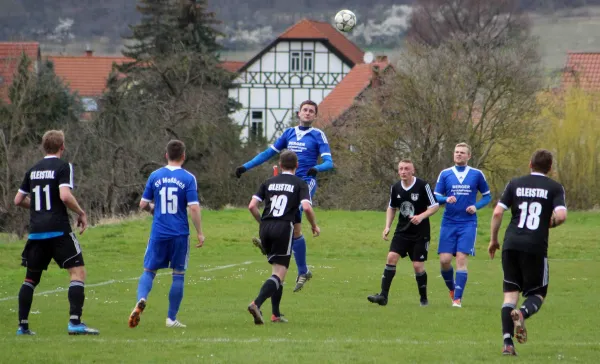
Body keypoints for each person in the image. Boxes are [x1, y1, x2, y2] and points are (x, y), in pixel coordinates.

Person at [235, 100, 333, 292]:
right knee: (293, 227)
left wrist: (317, 168)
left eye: (311, 111)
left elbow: (329, 162)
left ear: (315, 116)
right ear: (298, 113)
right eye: (305, 110)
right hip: (287, 182)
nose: (307, 113)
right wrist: (245, 166)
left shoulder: (318, 135)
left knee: (291, 213)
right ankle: (303, 270)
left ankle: (271, 244)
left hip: (305, 182)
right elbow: (267, 154)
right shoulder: (289, 133)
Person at [14, 130, 98, 335]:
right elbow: (65, 195)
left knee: (30, 279)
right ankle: (75, 323)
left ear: (44, 147)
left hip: (36, 233)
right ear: (62, 147)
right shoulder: (63, 166)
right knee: (77, 272)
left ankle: (22, 326)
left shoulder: (33, 170)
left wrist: (38, 207)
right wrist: (80, 212)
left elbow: (17, 200)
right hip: (58, 230)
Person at [488, 149, 567, 356]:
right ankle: (522, 313)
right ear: (550, 168)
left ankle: (507, 344)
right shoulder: (554, 187)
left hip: (510, 244)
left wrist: (494, 240)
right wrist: (547, 223)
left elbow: (497, 212)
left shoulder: (514, 183)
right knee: (538, 293)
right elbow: (561, 216)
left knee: (509, 296)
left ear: (530, 164)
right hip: (534, 247)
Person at [128, 140, 205, 329]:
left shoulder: (155, 175)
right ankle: (171, 319)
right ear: (183, 156)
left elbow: (143, 204)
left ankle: (142, 299)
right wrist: (200, 232)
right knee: (178, 274)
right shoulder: (188, 178)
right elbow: (193, 208)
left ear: (166, 155)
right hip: (179, 234)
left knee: (149, 271)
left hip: (159, 232)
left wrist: (157, 210)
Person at [246, 151, 320, 324]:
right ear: (297, 166)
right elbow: (307, 208)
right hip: (283, 228)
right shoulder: (300, 183)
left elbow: (252, 206)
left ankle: (275, 314)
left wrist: (262, 222)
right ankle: (256, 303)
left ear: (280, 165)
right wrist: (314, 226)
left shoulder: (268, 182)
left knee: (276, 271)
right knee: (280, 273)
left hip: (265, 227)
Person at [368, 160, 439, 307]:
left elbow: (435, 206)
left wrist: (420, 217)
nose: (403, 171)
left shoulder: (422, 185)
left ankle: (423, 299)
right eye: (400, 169)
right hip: (402, 230)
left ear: (413, 170)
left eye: (406, 169)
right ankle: (383, 296)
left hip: (420, 233)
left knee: (417, 266)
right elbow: (392, 207)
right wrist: (387, 226)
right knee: (391, 257)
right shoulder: (395, 187)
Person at [434, 142, 492, 307]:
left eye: (462, 152)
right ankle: (452, 289)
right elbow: (435, 195)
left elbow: (488, 196)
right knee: (445, 260)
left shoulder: (476, 174)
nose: (458, 154)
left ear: (469, 156)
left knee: (461, 258)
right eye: (456, 152)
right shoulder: (445, 174)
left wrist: (476, 206)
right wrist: (446, 199)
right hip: (449, 221)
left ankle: (457, 299)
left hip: (467, 223)